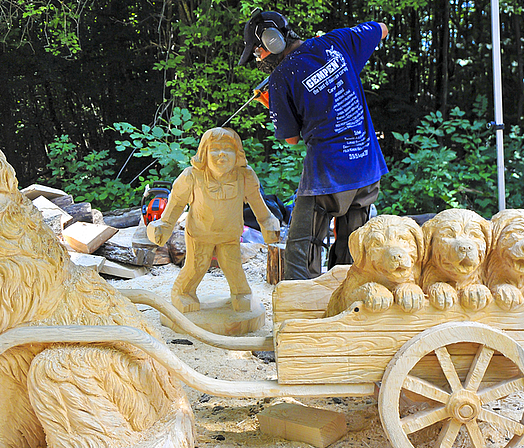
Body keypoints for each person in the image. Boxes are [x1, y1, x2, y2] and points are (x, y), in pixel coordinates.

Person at [238, 11, 389, 280]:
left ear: (272, 41)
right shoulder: (337, 42)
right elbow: (382, 28)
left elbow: (291, 138)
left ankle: (299, 309)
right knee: (353, 247)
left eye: (258, 51)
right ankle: (347, 301)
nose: (259, 59)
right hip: (367, 167)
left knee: (302, 246)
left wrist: (270, 101)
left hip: (329, 172)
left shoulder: (281, 78)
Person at [147, 127, 280, 313]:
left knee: (233, 266)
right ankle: (183, 294)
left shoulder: (245, 176)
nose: (222, 155)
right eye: (215, 149)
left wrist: (268, 222)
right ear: (204, 153)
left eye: (228, 148)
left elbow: (259, 205)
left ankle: (241, 294)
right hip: (200, 234)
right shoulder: (191, 176)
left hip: (230, 235)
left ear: (238, 153)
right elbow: (176, 203)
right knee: (196, 266)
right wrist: (165, 224)